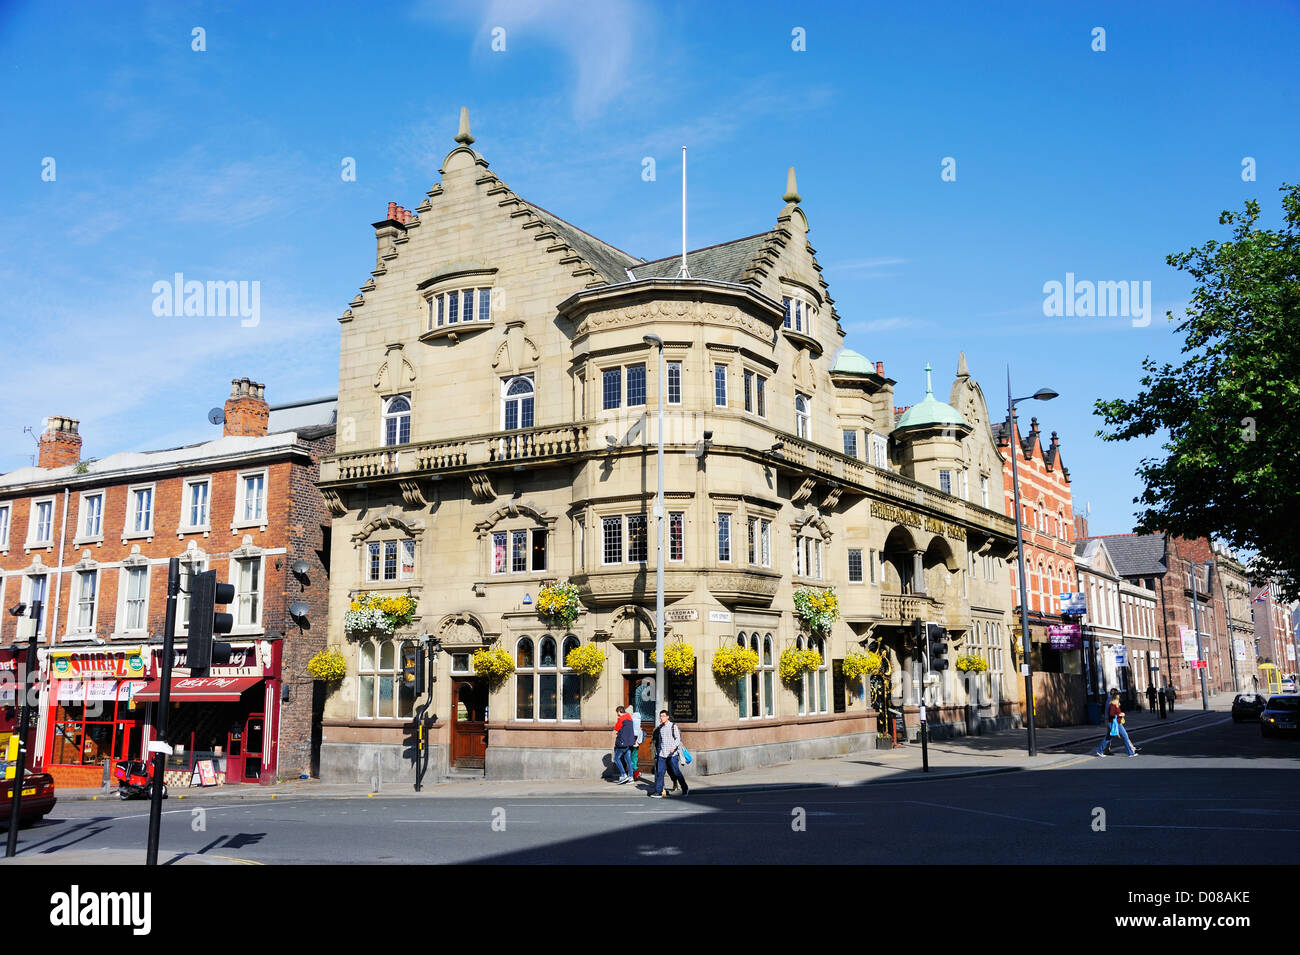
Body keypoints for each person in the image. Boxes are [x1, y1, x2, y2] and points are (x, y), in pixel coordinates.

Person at [650, 710, 689, 797]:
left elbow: (678, 738)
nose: (661, 718)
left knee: (676, 772)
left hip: (672, 755)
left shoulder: (673, 726)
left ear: (667, 717)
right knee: (660, 773)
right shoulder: (660, 728)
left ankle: (685, 788)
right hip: (662, 754)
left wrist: (673, 747)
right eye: (660, 716)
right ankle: (658, 791)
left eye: (663, 716)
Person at [1095, 688, 1138, 757]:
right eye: (1118, 697)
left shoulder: (1116, 704)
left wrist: (1120, 714)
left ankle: (1099, 751)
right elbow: (1111, 714)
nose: (1119, 698)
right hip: (1114, 723)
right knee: (1124, 736)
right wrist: (1120, 714)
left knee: (1109, 737)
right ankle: (1130, 753)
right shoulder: (1112, 704)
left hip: (1116, 722)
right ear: (1115, 697)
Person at [612, 706, 635, 783]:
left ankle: (623, 774)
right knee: (628, 760)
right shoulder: (630, 718)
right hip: (629, 742)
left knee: (616, 758)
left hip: (622, 743)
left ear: (619, 711)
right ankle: (631, 777)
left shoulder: (621, 719)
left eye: (617, 712)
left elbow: (616, 728)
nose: (617, 714)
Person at [629, 711, 645, 781]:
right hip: (637, 744)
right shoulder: (639, 725)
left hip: (633, 744)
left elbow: (634, 734)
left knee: (632, 758)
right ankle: (635, 773)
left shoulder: (634, 723)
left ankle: (635, 772)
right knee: (634, 758)